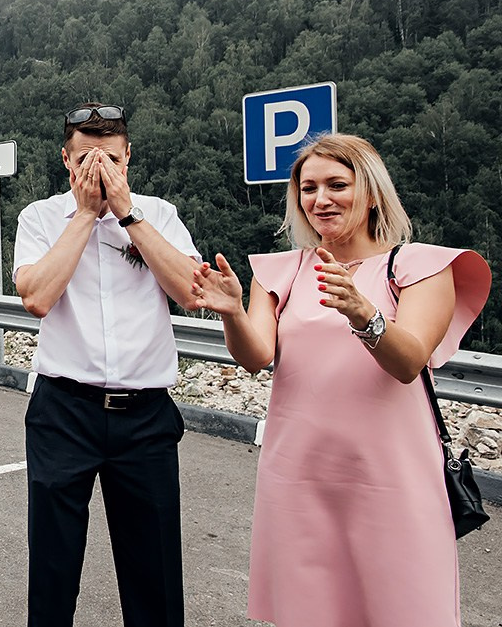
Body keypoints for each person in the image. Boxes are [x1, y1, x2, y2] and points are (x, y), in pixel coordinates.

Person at [191, 133, 490, 627]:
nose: (321, 200)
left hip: (392, 480)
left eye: (336, 184)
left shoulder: (420, 266)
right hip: (298, 477)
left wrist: (363, 313)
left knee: (405, 610)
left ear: (370, 191)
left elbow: (408, 361)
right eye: (308, 188)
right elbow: (256, 356)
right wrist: (230, 313)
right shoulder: (280, 271)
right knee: (310, 613)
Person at [13, 103, 201, 627]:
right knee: (53, 568)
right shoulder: (40, 217)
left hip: (145, 414)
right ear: (66, 161)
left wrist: (126, 212)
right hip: (64, 410)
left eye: (112, 161)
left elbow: (190, 291)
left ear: (128, 158)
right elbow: (37, 297)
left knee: (155, 572)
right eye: (86, 161)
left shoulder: (157, 213)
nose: (100, 173)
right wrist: (86, 213)